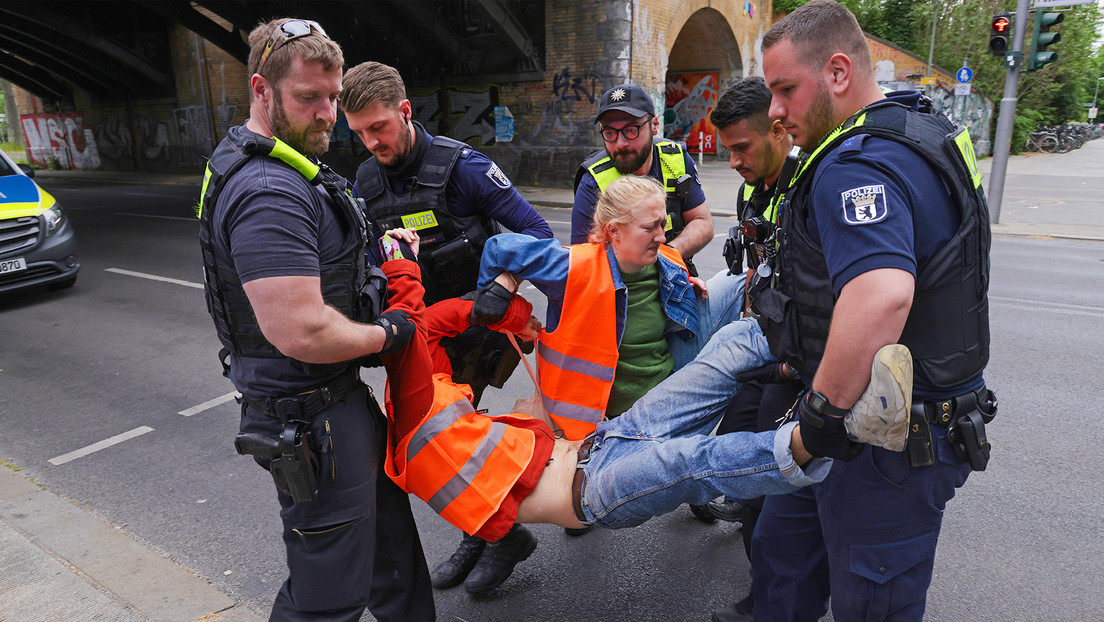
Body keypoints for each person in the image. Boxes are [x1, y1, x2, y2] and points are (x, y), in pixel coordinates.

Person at [373, 228, 914, 543]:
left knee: (716, 366)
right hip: (594, 489)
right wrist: (401, 264)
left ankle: (827, 336)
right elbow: (410, 323)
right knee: (695, 463)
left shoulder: (429, 398)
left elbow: (437, 322)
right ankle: (822, 437)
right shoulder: (414, 412)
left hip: (601, 441)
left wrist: (510, 317)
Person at [745, 2, 996, 621]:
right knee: (780, 561)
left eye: (784, 90)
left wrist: (821, 412)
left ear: (837, 73)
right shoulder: (916, 128)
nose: (774, 111)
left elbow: (881, 293)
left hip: (885, 443)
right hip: (863, 426)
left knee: (872, 605)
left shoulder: (858, 164)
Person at [195, 18, 433, 621]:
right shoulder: (269, 191)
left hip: (333, 406)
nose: (327, 113)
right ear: (260, 88)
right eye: (308, 97)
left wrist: (380, 253)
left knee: (391, 559)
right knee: (326, 600)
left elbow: (326, 264)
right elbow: (301, 329)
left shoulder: (293, 163)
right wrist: (392, 332)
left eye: (332, 96)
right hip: (311, 419)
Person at [338, 60, 554, 597]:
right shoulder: (365, 181)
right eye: (359, 132)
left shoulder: (465, 168)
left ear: (405, 112)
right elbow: (367, 259)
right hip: (419, 334)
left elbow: (538, 232)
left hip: (475, 328)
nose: (370, 142)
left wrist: (502, 284)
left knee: (449, 444)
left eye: (379, 128)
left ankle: (497, 533)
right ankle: (490, 532)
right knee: (439, 448)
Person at [477, 174, 747, 438]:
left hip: (669, 393)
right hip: (606, 427)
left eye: (663, 225)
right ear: (614, 231)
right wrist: (512, 315)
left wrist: (685, 285)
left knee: (742, 282)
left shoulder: (666, 258)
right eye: (650, 227)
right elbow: (498, 248)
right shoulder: (573, 269)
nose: (662, 237)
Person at [704, 76, 803, 622]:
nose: (734, 161)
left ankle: (774, 604)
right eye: (728, 150)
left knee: (773, 485)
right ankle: (768, 589)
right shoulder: (752, 188)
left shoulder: (811, 183)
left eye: (742, 147)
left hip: (795, 362)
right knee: (741, 471)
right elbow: (751, 269)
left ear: (779, 128)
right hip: (758, 347)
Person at [571, 83, 714, 274]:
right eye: (610, 133)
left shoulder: (676, 159)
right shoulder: (592, 181)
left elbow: (702, 223)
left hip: (677, 278)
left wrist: (665, 256)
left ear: (655, 125)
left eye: (631, 130)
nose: (620, 143)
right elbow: (583, 259)